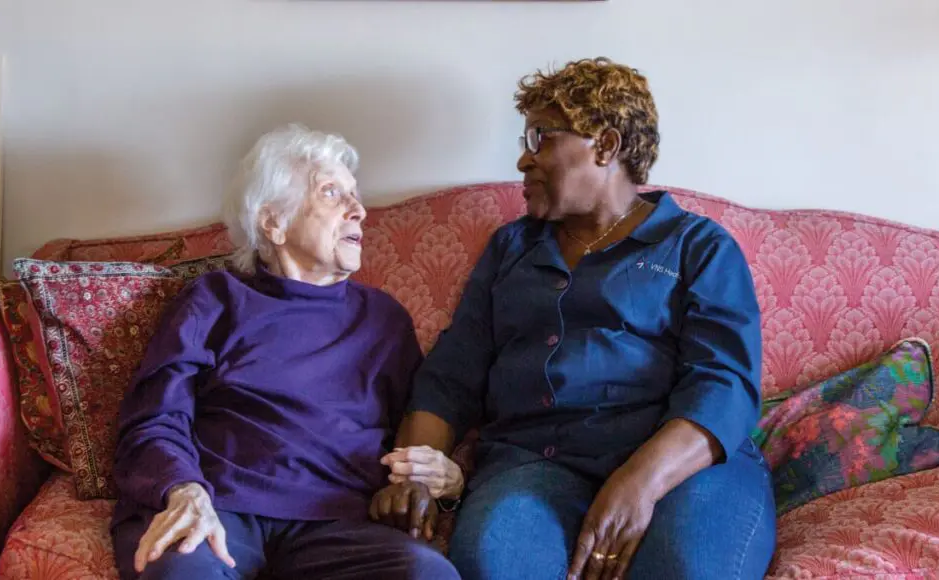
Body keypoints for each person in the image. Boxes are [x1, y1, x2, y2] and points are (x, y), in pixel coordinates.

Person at [371, 58, 776, 580]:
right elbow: (451, 376)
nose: (523, 159)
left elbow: (725, 383)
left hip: (677, 468)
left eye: (541, 137)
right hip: (533, 464)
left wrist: (637, 483)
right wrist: (417, 474)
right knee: (493, 562)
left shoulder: (697, 246)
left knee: (688, 570)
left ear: (605, 146)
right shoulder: (512, 248)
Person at [110, 124, 460, 580]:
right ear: (272, 221)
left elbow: (415, 431)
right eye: (333, 193)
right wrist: (182, 489)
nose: (359, 211)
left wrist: (445, 481)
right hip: (219, 508)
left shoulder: (384, 320)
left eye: (356, 196)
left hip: (339, 524)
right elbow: (155, 415)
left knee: (427, 576)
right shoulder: (215, 300)